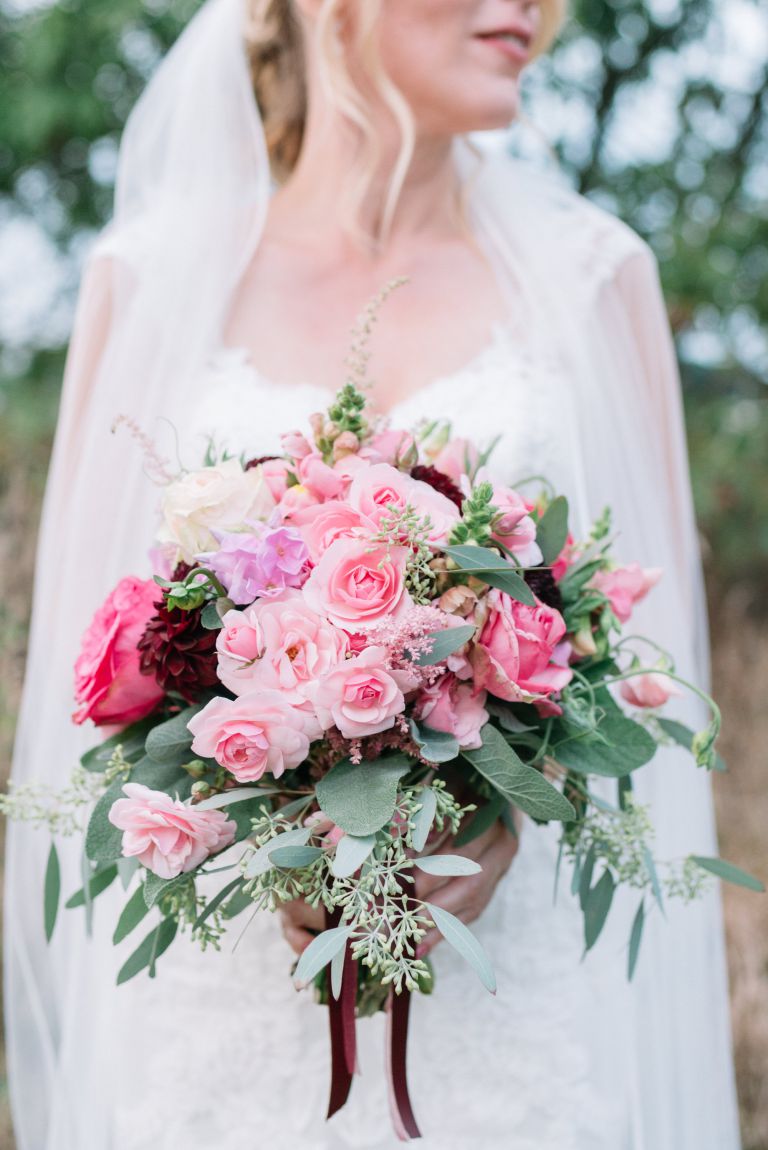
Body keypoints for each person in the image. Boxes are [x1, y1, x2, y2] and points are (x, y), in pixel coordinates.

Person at [4, 1, 741, 1147]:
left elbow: (635, 676)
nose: (533, 9)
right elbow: (101, 688)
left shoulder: (601, 281)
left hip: (517, 1006)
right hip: (224, 1024)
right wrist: (255, 820)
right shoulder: (145, 283)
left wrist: (508, 810)